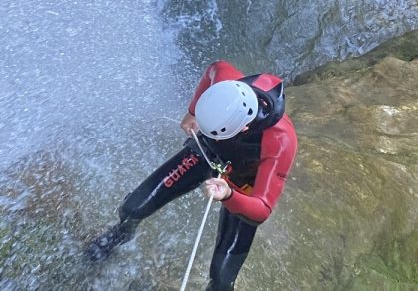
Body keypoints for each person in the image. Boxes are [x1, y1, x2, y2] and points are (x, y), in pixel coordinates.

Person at [84, 60, 297, 291]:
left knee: (222, 277)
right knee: (133, 208)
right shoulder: (226, 79)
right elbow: (214, 68)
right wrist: (192, 111)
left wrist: (228, 196)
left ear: (243, 129)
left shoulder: (280, 142)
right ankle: (121, 233)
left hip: (243, 183)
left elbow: (261, 209)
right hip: (207, 151)